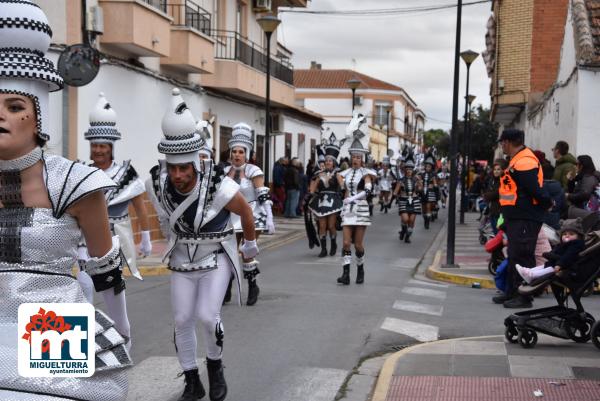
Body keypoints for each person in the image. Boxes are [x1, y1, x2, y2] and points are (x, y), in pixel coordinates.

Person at [0, 2, 130, 398]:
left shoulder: (75, 183)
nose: (0, 115)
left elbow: (106, 271)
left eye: (15, 106)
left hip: (49, 321)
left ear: (39, 118)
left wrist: (122, 334)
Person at [146, 89, 258, 401]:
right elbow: (162, 220)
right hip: (182, 260)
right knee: (182, 319)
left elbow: (247, 212)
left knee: (209, 317)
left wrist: (249, 248)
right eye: (173, 167)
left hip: (215, 256)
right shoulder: (157, 183)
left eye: (185, 168)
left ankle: (215, 368)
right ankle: (192, 381)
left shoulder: (220, 185)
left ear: (196, 162)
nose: (179, 174)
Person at [77, 93, 151, 343]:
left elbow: (140, 206)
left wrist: (146, 238)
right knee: (83, 287)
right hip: (84, 242)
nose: (97, 150)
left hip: (114, 243)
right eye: (94, 145)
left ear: (111, 147)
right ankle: (83, 342)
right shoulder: (81, 171)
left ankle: (124, 338)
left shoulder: (125, 173)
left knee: (113, 294)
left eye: (102, 146)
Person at [494, 129, 552, 308]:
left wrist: (548, 202)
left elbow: (534, 188)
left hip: (525, 216)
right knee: (514, 255)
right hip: (517, 216)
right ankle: (512, 292)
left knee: (523, 256)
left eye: (502, 142)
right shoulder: (517, 159)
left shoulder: (525, 160)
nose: (501, 145)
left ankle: (524, 297)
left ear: (509, 142)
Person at [223, 122, 274, 306]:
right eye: (235, 151)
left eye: (241, 151)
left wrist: (269, 215)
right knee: (228, 253)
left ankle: (253, 286)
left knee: (246, 252)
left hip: (251, 215)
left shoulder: (254, 170)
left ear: (247, 153)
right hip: (230, 217)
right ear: (230, 153)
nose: (237, 155)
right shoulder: (222, 172)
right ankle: (226, 288)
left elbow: (262, 194)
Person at [337, 112, 376, 285]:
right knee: (346, 243)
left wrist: (352, 199)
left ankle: (360, 269)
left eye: (358, 157)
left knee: (358, 245)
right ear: (351, 157)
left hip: (360, 209)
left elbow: (368, 191)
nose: (356, 159)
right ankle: (346, 274)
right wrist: (342, 190)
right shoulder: (344, 173)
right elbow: (342, 189)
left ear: (362, 159)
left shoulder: (366, 173)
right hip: (348, 211)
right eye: (353, 156)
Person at [516, 218, 585, 284]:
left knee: (549, 268)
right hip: (557, 262)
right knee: (545, 265)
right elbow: (556, 250)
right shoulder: (563, 244)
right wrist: (550, 254)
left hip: (566, 265)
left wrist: (559, 264)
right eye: (564, 234)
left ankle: (532, 275)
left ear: (578, 236)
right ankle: (529, 271)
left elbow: (569, 255)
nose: (567, 236)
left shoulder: (576, 244)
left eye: (571, 234)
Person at [308, 132, 343, 257]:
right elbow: (313, 185)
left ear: (333, 163)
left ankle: (333, 243)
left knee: (331, 225)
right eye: (326, 160)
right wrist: (310, 195)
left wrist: (344, 194)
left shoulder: (337, 174)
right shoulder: (319, 173)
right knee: (322, 226)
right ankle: (323, 249)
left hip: (333, 200)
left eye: (330, 161)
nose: (328, 162)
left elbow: (343, 186)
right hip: (321, 200)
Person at [394, 150, 423, 243]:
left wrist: (420, 183)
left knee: (411, 221)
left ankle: (407, 236)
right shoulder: (401, 180)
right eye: (407, 169)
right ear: (405, 170)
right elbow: (395, 192)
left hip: (414, 201)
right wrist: (393, 199)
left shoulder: (416, 179)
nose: (409, 171)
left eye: (411, 169)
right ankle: (403, 230)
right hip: (403, 201)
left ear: (413, 170)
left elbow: (420, 190)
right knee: (405, 219)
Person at [483, 159, 507, 233]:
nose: (496, 171)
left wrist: (490, 195)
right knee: (495, 232)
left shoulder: (504, 181)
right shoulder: (492, 180)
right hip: (493, 211)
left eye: (498, 169)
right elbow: (489, 193)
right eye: (495, 169)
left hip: (500, 213)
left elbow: (498, 194)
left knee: (499, 233)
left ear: (503, 170)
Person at [420, 150, 438, 229]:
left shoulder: (433, 174)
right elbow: (419, 182)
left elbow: (435, 184)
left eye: (429, 166)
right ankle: (426, 219)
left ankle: (427, 221)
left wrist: (434, 185)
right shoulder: (421, 174)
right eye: (426, 166)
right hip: (422, 192)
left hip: (430, 193)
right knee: (423, 209)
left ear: (431, 167)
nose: (427, 168)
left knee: (428, 207)